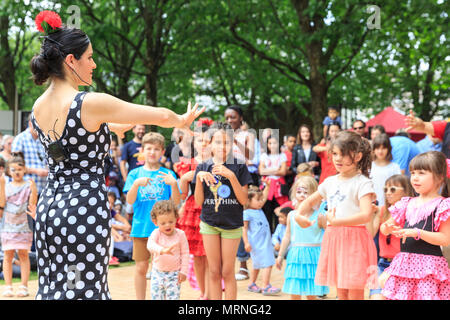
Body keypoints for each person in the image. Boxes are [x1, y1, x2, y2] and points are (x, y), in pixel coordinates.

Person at [29, 10, 204, 300]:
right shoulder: (90, 102)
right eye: (89, 57)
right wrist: (181, 120)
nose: (94, 64)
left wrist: (109, 128)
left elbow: (73, 137)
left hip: (51, 210)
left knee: (57, 288)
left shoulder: (38, 105)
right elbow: (159, 114)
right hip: (82, 211)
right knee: (82, 290)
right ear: (70, 61)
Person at [295, 130, 378, 300]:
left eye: (343, 154)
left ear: (358, 156)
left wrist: (338, 221)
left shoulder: (363, 183)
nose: (338, 158)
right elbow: (309, 202)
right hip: (335, 239)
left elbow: (366, 215)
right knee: (341, 291)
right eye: (334, 154)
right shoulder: (330, 182)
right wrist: (298, 215)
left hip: (355, 240)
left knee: (355, 290)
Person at [194, 122, 253, 300]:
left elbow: (244, 200)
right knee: (213, 270)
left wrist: (231, 176)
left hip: (232, 224)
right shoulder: (202, 167)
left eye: (227, 142)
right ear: (210, 143)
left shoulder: (239, 166)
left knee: (227, 271)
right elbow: (198, 202)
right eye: (218, 142)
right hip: (209, 223)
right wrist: (198, 179)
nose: (222, 146)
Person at [380, 151, 450, 300]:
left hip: (429, 268)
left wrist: (417, 232)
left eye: (422, 173)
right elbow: (385, 227)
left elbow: (445, 238)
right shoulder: (406, 203)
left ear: (439, 177)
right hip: (403, 266)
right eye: (413, 173)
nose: (415, 178)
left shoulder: (443, 205)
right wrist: (387, 228)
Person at [124, 132, 181, 300]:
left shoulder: (168, 174)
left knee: (165, 269)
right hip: (141, 227)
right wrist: (135, 185)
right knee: (141, 268)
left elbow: (176, 202)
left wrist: (174, 185)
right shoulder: (135, 174)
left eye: (156, 149)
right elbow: (129, 200)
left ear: (162, 151)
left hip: (165, 230)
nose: (152, 152)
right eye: (148, 148)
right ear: (143, 150)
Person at [275, 176, 329, 300]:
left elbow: (328, 236)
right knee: (295, 293)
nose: (302, 195)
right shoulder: (291, 215)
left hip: (314, 257)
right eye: (299, 192)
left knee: (311, 294)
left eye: (306, 193)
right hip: (295, 256)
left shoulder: (320, 216)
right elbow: (287, 236)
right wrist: (280, 255)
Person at [176, 123, 211, 300]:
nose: (203, 143)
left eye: (207, 140)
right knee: (198, 256)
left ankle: (213, 291)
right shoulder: (187, 164)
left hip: (214, 207)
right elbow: (182, 194)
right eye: (199, 140)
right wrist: (183, 179)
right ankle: (203, 292)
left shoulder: (218, 163)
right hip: (194, 210)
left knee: (212, 255)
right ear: (194, 143)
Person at [366, 174, 414, 300]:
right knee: (376, 298)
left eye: (392, 189)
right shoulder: (382, 211)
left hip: (404, 266)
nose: (388, 193)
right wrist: (370, 214)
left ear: (406, 191)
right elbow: (370, 234)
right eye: (385, 190)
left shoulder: (413, 211)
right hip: (381, 263)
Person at [0, 153, 37, 298]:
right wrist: (1, 185)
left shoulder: (28, 185)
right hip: (7, 226)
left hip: (24, 227)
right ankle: (8, 286)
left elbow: (32, 205)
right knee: (8, 256)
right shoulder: (6, 185)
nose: (16, 172)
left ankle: (24, 286)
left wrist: (33, 188)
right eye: (13, 169)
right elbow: (1, 204)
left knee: (23, 255)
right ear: (9, 171)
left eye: (19, 169)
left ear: (24, 170)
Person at [147, 200, 189, 300]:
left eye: (171, 221)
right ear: (155, 222)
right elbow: (150, 245)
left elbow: (185, 254)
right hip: (157, 273)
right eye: (163, 223)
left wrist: (183, 271)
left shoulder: (180, 235)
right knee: (156, 297)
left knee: (173, 298)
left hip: (174, 274)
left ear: (176, 218)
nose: (167, 225)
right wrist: (162, 250)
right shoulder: (156, 233)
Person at [243, 184, 281, 296]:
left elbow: (264, 197)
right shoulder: (247, 213)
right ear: (248, 200)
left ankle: (251, 284)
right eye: (257, 200)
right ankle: (266, 286)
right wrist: (246, 243)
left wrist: (268, 186)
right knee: (268, 263)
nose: (261, 202)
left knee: (257, 265)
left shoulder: (258, 209)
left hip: (264, 243)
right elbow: (244, 229)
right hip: (257, 244)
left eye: (261, 200)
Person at [259, 134, 289, 233]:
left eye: (274, 143)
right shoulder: (264, 156)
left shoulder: (282, 155)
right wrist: (276, 169)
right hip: (267, 186)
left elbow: (283, 172)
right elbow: (261, 171)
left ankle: (278, 236)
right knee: (266, 211)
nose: (272, 145)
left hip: (279, 187)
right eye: (270, 143)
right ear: (267, 144)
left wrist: (268, 171)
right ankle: (268, 236)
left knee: (278, 212)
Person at [11, 116, 48, 196]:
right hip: (25, 190)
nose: (40, 127)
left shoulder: (43, 140)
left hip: (43, 189)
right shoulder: (20, 139)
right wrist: (36, 171)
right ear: (30, 123)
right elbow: (14, 166)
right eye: (38, 124)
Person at [370, 134, 402, 207]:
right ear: (373, 150)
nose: (380, 151)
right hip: (372, 206)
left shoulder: (395, 167)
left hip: (390, 207)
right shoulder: (369, 167)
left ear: (388, 149)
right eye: (377, 148)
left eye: (383, 148)